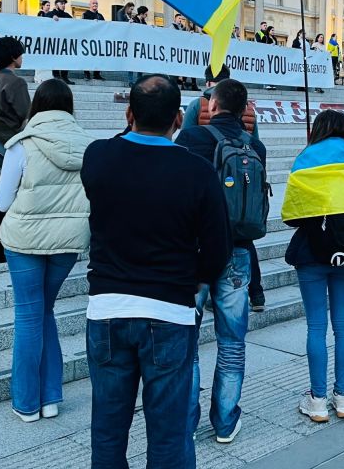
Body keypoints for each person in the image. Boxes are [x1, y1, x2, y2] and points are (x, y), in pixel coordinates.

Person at [81, 74, 232, 467]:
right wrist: (195, 283)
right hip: (169, 310)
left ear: (129, 114)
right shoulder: (196, 170)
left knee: (108, 432)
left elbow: (120, 149)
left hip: (108, 309)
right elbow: (218, 248)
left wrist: (134, 122)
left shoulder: (98, 157)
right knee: (168, 434)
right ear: (179, 119)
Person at [176, 78, 267, 448]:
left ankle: (186, 421)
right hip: (238, 252)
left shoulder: (190, 141)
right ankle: (226, 421)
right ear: (243, 108)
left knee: (188, 340)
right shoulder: (254, 145)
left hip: (195, 254)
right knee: (232, 342)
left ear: (211, 105)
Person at [0, 79, 90, 424]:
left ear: (37, 106)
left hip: (24, 242)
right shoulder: (89, 144)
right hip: (69, 241)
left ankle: (26, 402)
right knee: (45, 311)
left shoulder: (22, 145)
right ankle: (50, 397)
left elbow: (2, 201)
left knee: (28, 315)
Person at [282, 110, 344, 423]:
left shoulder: (306, 157)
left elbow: (291, 214)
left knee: (315, 326)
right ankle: (343, 397)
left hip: (312, 253)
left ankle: (318, 399)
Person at [0, 37, 31, 143]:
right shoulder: (17, 82)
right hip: (12, 138)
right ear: (13, 57)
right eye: (21, 54)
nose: (22, 57)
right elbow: (26, 115)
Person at [45, 0, 75, 84]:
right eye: (61, 3)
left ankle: (64, 76)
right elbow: (44, 19)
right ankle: (56, 75)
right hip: (55, 41)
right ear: (56, 5)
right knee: (55, 57)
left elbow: (75, 23)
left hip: (65, 41)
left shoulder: (66, 15)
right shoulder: (51, 13)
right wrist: (52, 17)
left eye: (64, 4)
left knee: (66, 58)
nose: (63, 5)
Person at [81, 0, 105, 79]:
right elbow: (83, 26)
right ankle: (87, 73)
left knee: (98, 57)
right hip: (88, 39)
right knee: (87, 56)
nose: (95, 4)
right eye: (93, 3)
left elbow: (105, 26)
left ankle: (97, 74)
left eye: (96, 3)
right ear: (89, 5)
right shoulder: (85, 14)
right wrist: (91, 23)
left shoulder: (100, 16)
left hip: (98, 40)